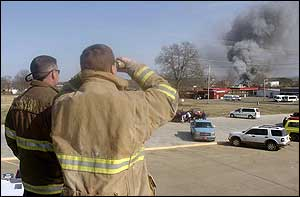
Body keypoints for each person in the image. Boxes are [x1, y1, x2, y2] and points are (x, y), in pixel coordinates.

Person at [50, 44, 179, 196]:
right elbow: (169, 96)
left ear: (83, 71)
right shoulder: (132, 103)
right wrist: (133, 67)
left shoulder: (61, 104)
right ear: (113, 69)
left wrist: (85, 74)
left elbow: (63, 91)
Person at [5, 55, 64, 196]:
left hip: (30, 182)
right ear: (53, 74)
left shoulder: (18, 101)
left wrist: (27, 157)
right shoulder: (58, 101)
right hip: (55, 185)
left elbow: (10, 137)